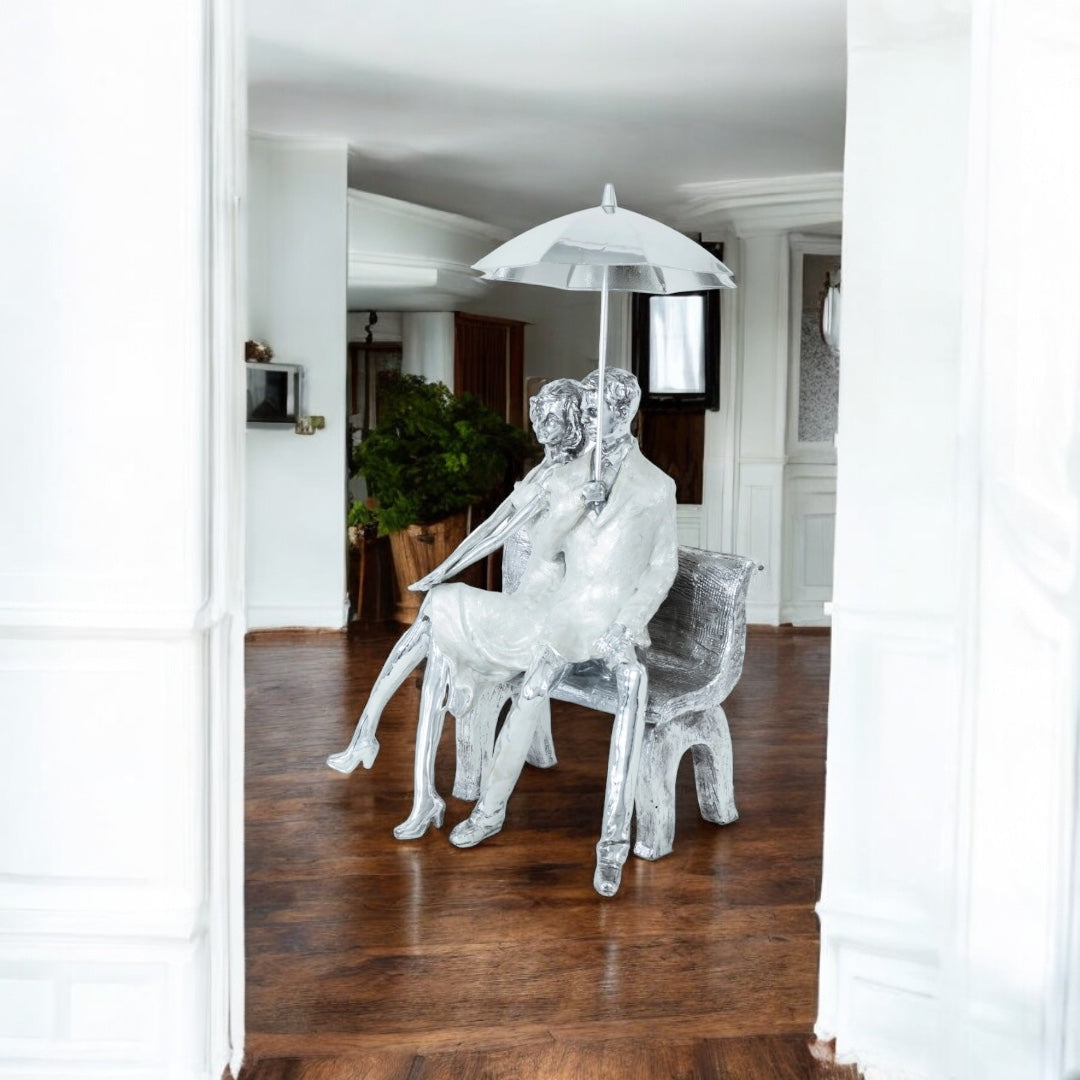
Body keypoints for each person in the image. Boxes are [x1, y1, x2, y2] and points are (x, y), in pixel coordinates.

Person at [448, 368, 678, 897]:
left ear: (627, 412)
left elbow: (661, 568)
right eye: (591, 410)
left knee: (633, 696)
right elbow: (544, 545)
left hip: (618, 623)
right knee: (529, 689)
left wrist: (629, 624)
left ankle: (612, 844)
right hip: (570, 614)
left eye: (607, 410)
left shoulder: (656, 486)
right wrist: (578, 504)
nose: (598, 420)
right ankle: (489, 810)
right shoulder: (572, 475)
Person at [326, 378, 590, 839]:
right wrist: (443, 570)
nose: (540, 426)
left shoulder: (580, 482)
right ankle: (418, 790)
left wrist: (441, 575)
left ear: (572, 421)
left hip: (544, 625)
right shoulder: (542, 475)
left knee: (439, 609)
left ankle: (371, 740)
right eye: (537, 415)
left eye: (551, 417)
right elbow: (491, 527)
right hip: (521, 611)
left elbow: (504, 536)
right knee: (438, 627)